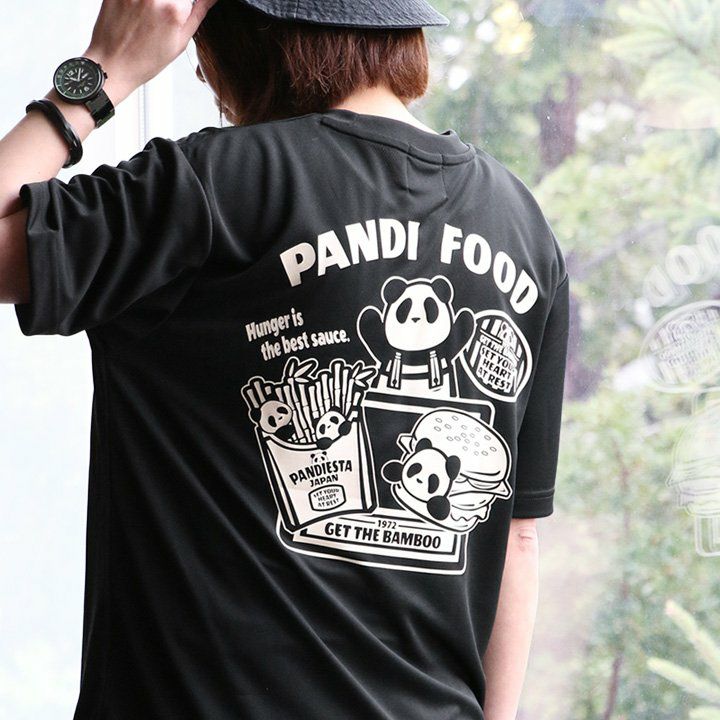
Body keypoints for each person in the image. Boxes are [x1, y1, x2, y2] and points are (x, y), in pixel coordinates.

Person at [0, 0, 570, 718]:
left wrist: (103, 71)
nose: (201, 74)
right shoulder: (522, 225)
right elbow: (517, 539)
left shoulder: (211, 186)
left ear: (246, 40)